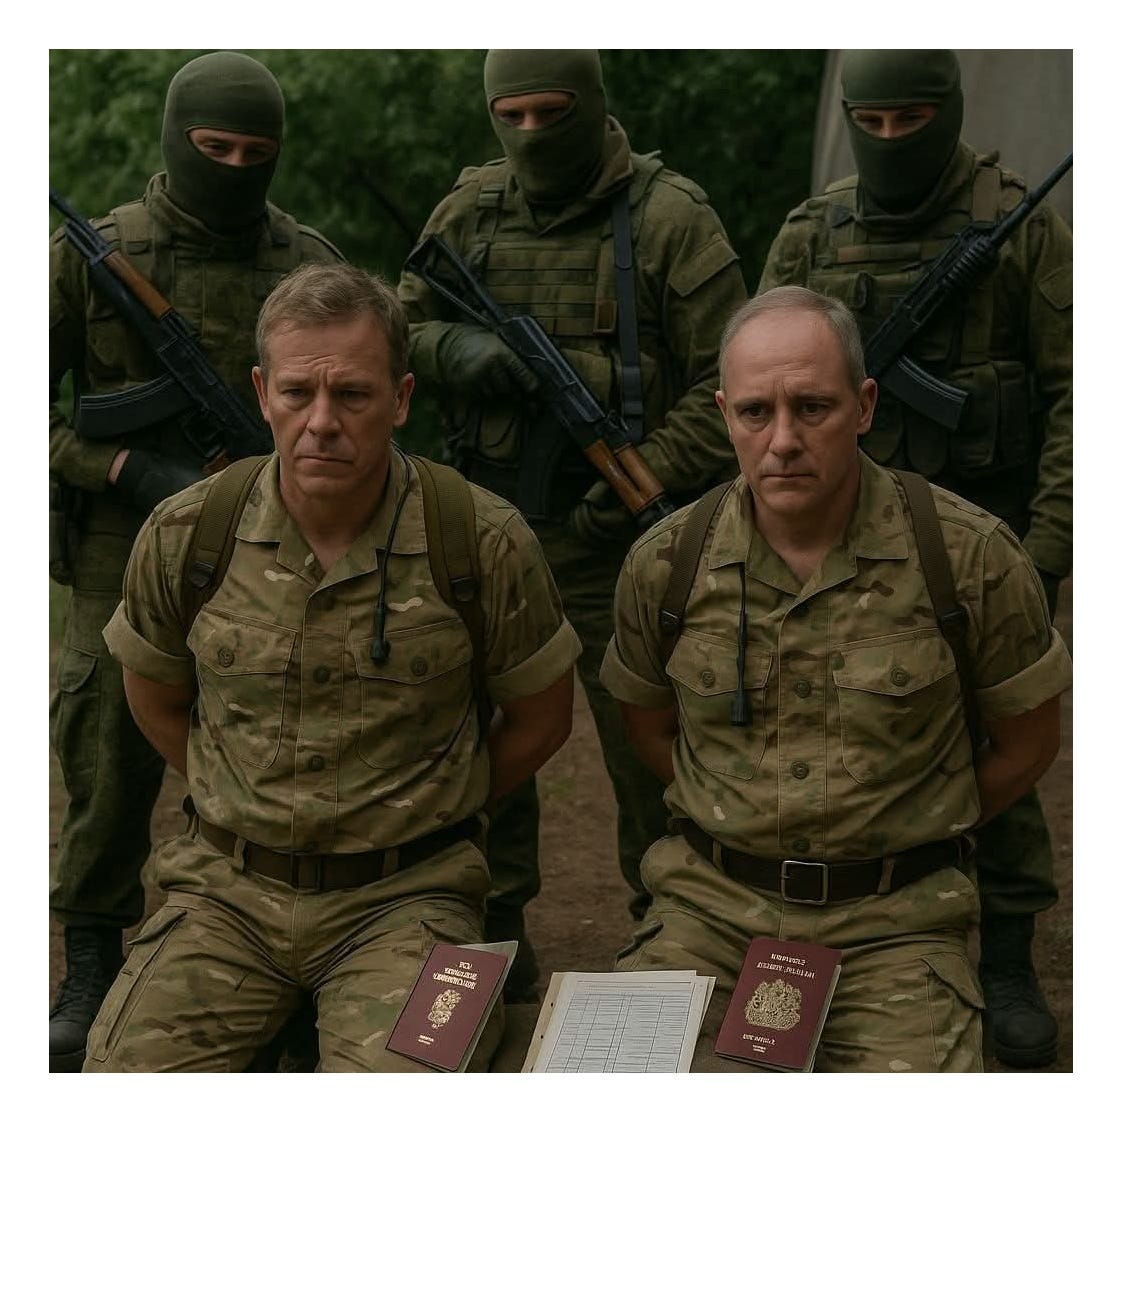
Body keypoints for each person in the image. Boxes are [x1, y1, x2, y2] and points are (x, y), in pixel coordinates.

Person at [83, 263, 580, 1072]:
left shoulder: (478, 539)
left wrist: (428, 805)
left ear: (401, 399)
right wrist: (250, 801)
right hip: (224, 899)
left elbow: (543, 717)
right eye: (297, 393)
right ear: (261, 393)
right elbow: (156, 696)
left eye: (351, 394)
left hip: (405, 902)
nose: (321, 422)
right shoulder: (188, 533)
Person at [600, 287, 1071, 1072]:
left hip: (896, 928)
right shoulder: (666, 565)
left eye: (812, 407)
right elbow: (649, 729)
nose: (783, 440)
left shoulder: (970, 558)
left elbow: (1027, 742)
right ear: (724, 415)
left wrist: (912, 822)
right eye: (756, 412)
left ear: (864, 406)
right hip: (706, 918)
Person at [398, 49, 747, 998]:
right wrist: (458, 350)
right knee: (480, 738)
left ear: (590, 104)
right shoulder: (470, 211)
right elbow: (395, 329)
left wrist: (645, 476)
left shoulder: (671, 219)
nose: (529, 134)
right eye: (509, 114)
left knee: (653, 745)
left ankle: (675, 927)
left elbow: (732, 382)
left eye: (549, 111)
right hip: (485, 532)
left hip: (627, 544)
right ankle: (492, 935)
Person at [756, 49, 1072, 1068]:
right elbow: (762, 384)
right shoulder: (811, 235)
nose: (890, 141)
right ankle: (827, 929)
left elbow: (1077, 393)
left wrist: (1047, 548)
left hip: (987, 541)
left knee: (999, 741)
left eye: (913, 121)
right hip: (839, 542)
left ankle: (1008, 956)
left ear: (952, 112)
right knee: (835, 730)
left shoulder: (1019, 223)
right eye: (873, 122)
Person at [49, 51, 347, 1071]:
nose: (233, 169)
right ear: (177, 138)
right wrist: (121, 465)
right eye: (214, 148)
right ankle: (91, 956)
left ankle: (270, 959)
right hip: (120, 539)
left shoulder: (305, 264)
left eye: (256, 154)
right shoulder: (92, 256)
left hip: (269, 540)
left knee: (272, 734)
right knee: (107, 739)